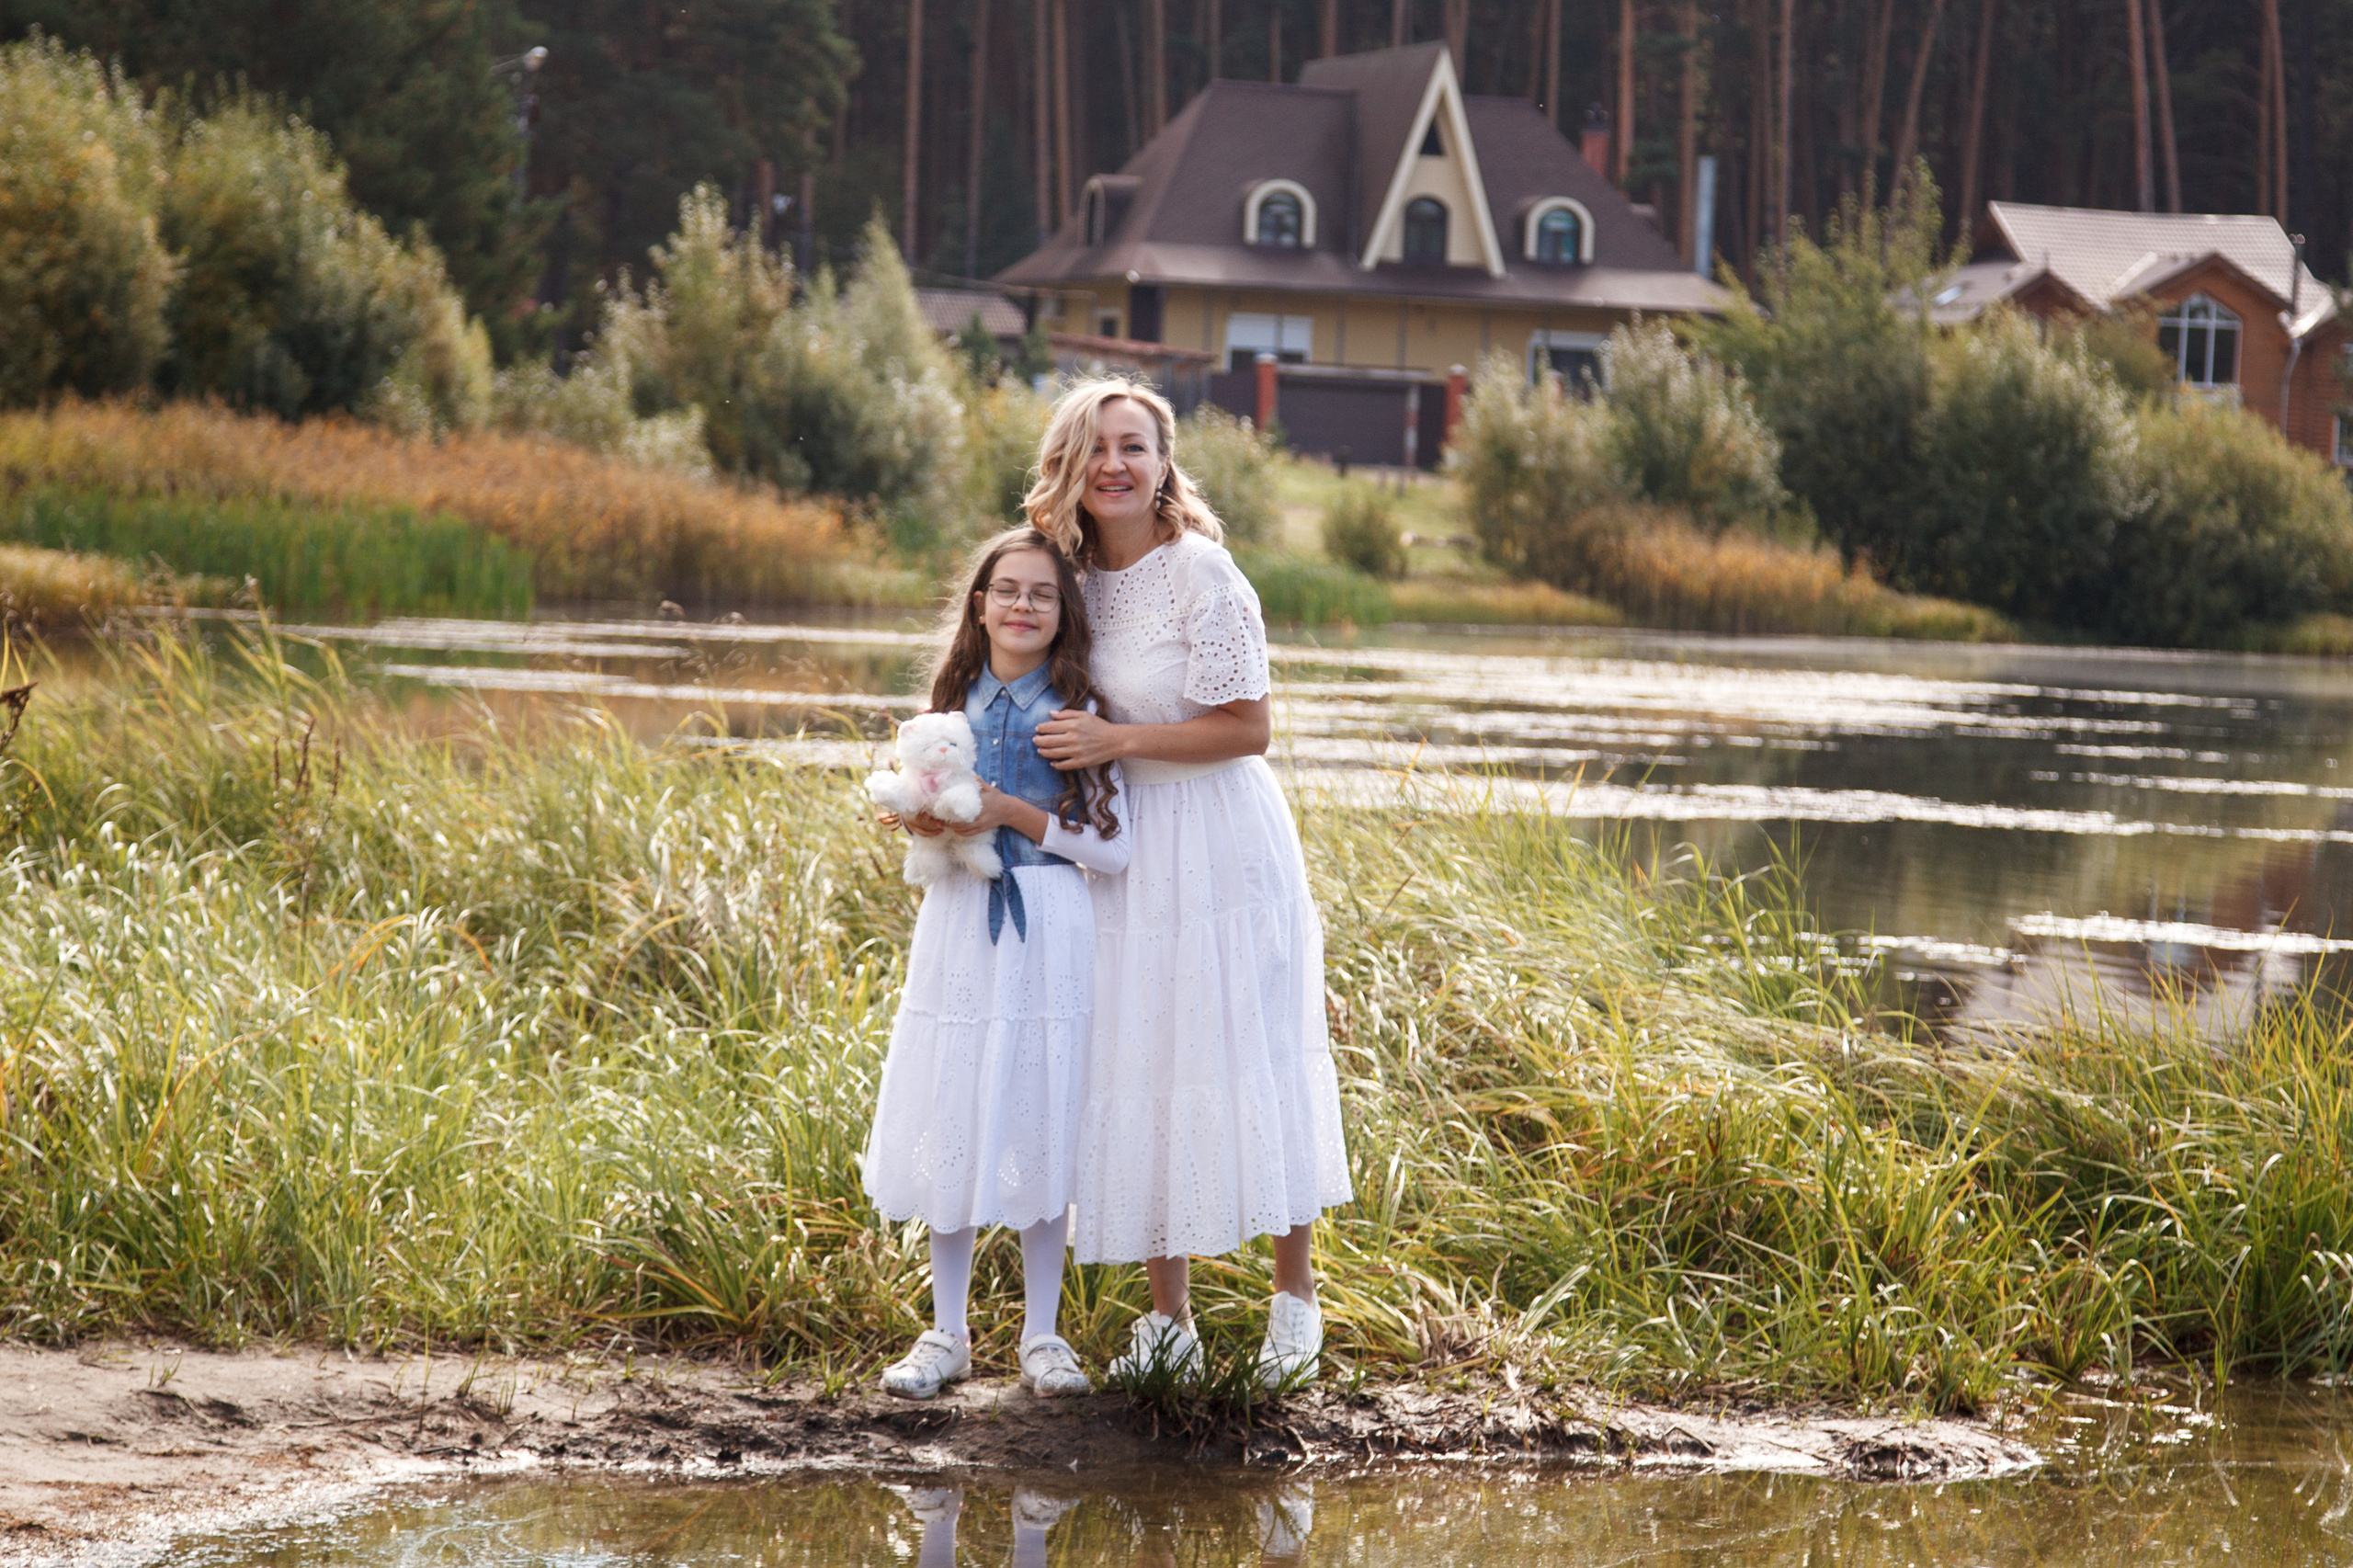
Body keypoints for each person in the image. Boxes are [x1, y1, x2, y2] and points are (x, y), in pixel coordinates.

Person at [1029, 379, 1353, 1389]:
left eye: (1132, 446)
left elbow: (1248, 726)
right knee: (1140, 1057)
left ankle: (1292, 1302)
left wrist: (1119, 737)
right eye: (1094, 448)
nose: (1113, 465)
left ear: (1165, 462)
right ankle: (1167, 1319)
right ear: (1069, 468)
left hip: (1220, 839)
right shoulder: (1063, 582)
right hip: (1123, 848)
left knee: (1249, 1045)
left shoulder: (1203, 573)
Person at [863, 527, 1129, 1400]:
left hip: (1049, 922)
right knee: (955, 1103)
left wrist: (1015, 811)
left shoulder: (1081, 713)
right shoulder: (948, 710)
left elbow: (1113, 855)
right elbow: (918, 803)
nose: (1023, 606)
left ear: (1063, 615)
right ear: (980, 605)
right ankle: (946, 1332)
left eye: (1042, 595)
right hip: (957, 919)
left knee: (1041, 1107)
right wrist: (918, 821)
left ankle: (1042, 1336)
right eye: (1007, 590)